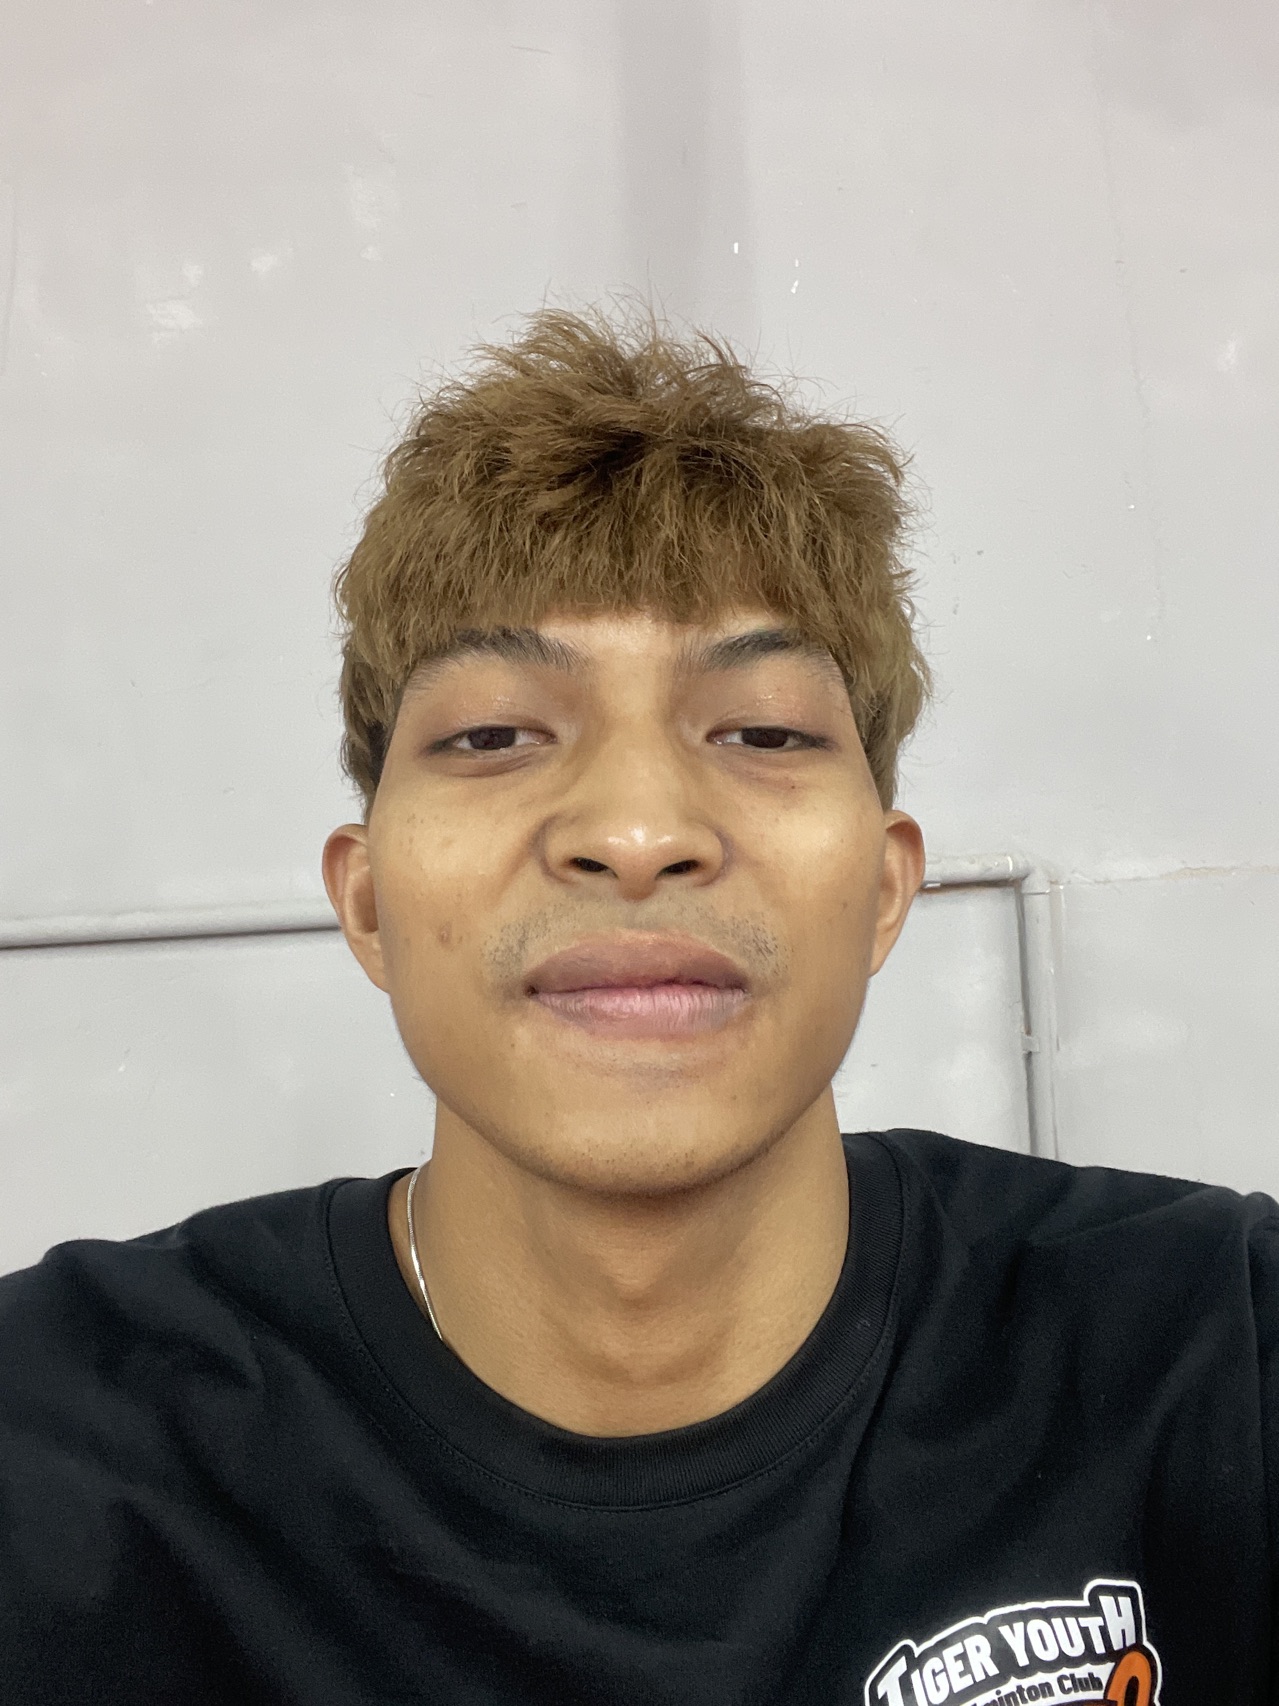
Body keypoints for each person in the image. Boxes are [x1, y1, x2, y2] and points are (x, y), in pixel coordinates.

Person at [0, 309, 1274, 1706]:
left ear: (884, 889)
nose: (636, 829)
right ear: (365, 902)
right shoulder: (54, 1435)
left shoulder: (1219, 1345)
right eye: (493, 732)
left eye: (764, 730)